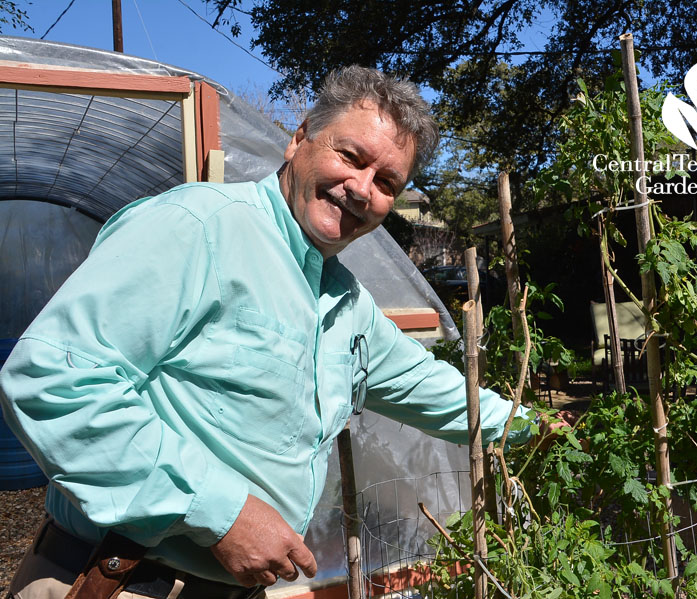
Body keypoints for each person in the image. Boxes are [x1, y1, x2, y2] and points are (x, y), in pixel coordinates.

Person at [0, 66, 568, 599]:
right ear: (299, 139)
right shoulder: (202, 227)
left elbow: (439, 394)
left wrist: (542, 428)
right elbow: (53, 377)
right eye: (351, 156)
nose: (361, 188)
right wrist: (223, 513)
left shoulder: (345, 302)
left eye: (387, 181)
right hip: (121, 579)